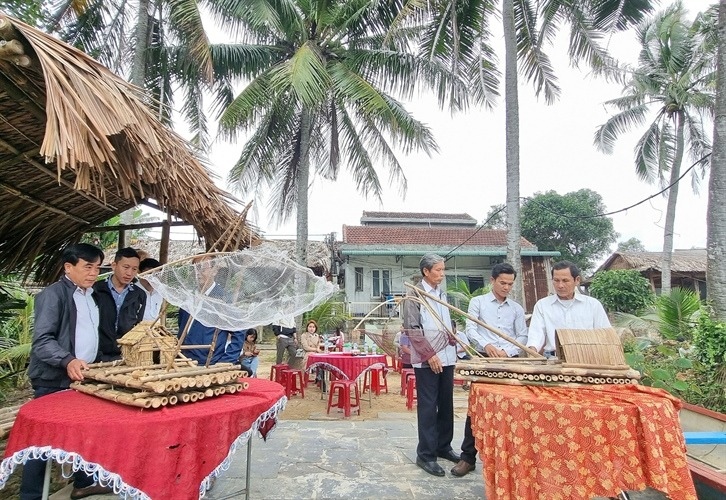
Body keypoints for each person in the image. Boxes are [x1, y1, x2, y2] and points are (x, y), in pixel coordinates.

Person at [21, 243, 113, 499]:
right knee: (41, 443)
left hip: (83, 378)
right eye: (87, 267)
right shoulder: (54, 295)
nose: (94, 273)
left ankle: (83, 482)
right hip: (53, 380)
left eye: (97, 267)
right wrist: (67, 360)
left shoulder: (91, 296)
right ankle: (30, 495)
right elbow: (42, 341)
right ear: (68, 267)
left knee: (83, 433)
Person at [451, 262, 528, 478]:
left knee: (508, 409)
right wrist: (487, 346)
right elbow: (471, 329)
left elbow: (522, 335)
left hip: (508, 362)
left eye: (510, 284)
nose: (506, 287)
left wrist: (507, 350)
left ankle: (507, 461)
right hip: (483, 360)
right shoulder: (478, 302)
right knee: (476, 408)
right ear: (492, 281)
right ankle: (467, 458)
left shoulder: (516, 308)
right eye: (502, 283)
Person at [403, 254, 459, 477]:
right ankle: (426, 454)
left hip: (448, 357)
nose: (442, 274)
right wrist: (429, 355)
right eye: (438, 270)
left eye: (443, 270)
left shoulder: (442, 294)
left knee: (446, 404)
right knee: (428, 406)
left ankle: (443, 446)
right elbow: (413, 328)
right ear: (426, 271)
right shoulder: (414, 294)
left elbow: (445, 323)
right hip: (428, 361)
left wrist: (453, 334)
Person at [527, 260, 611, 357]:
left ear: (577, 280)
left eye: (565, 280)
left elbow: (605, 335)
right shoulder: (542, 305)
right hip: (554, 360)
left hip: (587, 359)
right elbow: (536, 335)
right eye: (556, 280)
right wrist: (532, 350)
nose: (560, 285)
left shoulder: (593, 305)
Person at [178, 255, 245, 365]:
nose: (197, 273)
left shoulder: (222, 299)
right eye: (194, 269)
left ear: (214, 270)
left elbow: (239, 330)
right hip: (183, 360)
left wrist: (227, 360)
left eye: (201, 268)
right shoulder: (188, 297)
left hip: (208, 362)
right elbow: (181, 323)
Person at [93, 247, 146, 361]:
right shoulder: (96, 290)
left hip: (126, 355)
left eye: (134, 269)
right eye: (126, 267)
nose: (129, 273)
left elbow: (138, 325)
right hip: (97, 353)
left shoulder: (139, 295)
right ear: (114, 265)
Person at [138, 257, 164, 322]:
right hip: (135, 329)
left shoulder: (160, 291)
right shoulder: (132, 290)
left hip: (153, 329)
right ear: (141, 273)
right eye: (149, 274)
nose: (152, 278)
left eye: (156, 275)